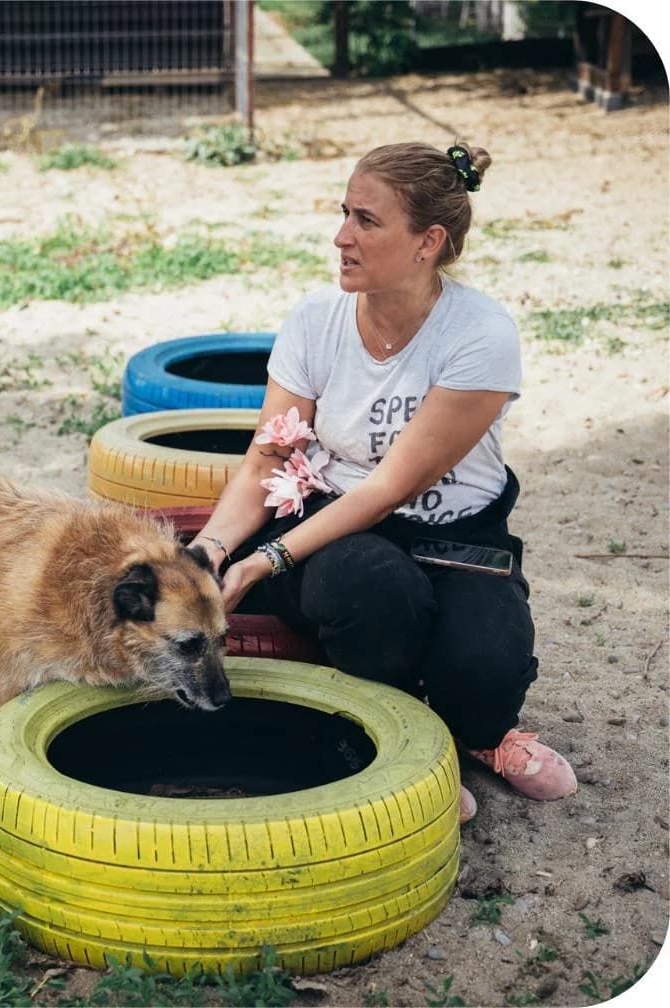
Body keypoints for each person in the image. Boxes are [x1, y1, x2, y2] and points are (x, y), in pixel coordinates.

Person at [191, 141, 577, 824]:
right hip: (331, 533)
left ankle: (481, 735)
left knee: (485, 673)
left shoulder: (480, 333)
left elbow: (389, 488)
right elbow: (267, 460)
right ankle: (404, 748)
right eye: (344, 213)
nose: (341, 236)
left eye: (366, 221)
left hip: (455, 536)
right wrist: (216, 549)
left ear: (428, 241)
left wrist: (262, 561)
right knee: (370, 589)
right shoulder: (315, 322)